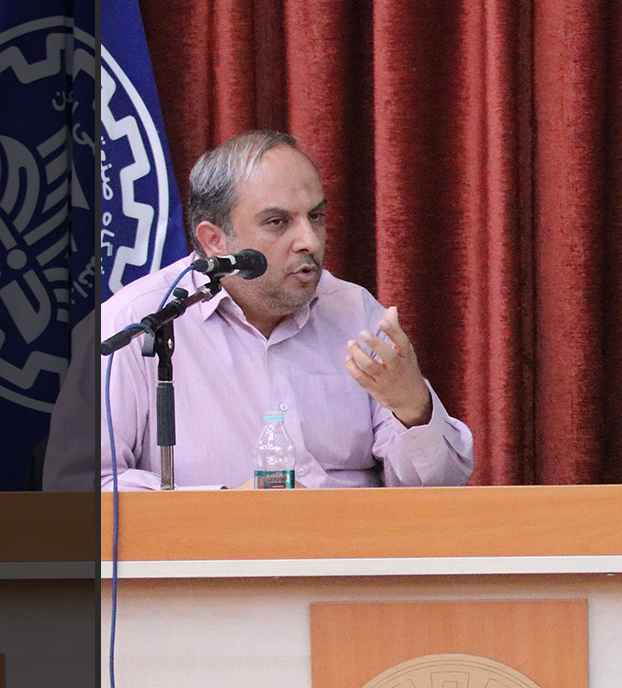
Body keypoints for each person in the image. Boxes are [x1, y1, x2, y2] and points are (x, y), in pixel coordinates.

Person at [94, 129, 474, 489]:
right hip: (219, 539)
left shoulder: (353, 311)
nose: (309, 241)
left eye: (316, 216)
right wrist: (222, 508)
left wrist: (412, 408)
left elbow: (441, 489)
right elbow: (85, 487)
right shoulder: (137, 323)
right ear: (214, 240)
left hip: (352, 535)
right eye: (277, 222)